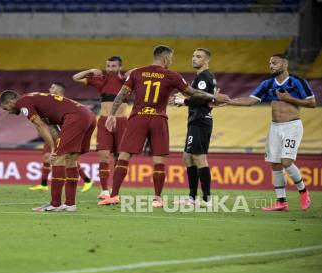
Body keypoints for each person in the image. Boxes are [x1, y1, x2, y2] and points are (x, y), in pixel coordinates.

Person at [98, 45, 229, 207]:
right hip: (158, 119)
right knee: (158, 160)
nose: (171, 61)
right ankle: (157, 199)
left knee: (124, 156)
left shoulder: (137, 72)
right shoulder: (172, 75)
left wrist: (111, 114)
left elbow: (122, 94)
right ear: (166, 58)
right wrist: (213, 96)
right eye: (171, 58)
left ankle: (114, 195)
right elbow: (192, 92)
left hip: (138, 117)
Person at [227, 53, 315, 211]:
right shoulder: (267, 84)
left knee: (286, 162)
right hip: (275, 127)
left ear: (285, 64)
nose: (271, 65)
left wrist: (290, 99)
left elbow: (312, 103)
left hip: (292, 126)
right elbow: (250, 101)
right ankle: (281, 202)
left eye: (275, 63)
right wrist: (228, 101)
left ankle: (303, 191)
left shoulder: (297, 82)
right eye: (270, 63)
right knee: (275, 164)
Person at [0, 90, 96, 212]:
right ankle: (70, 204)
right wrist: (54, 146)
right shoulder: (34, 98)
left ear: (10, 101)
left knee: (57, 159)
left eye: (6, 108)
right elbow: (50, 126)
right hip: (88, 116)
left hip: (75, 118)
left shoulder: (22, 103)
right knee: (71, 160)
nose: (8, 111)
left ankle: (55, 204)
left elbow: (40, 125)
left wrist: (53, 149)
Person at [73, 56, 130, 198]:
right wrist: (91, 70)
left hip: (122, 122)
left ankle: (115, 191)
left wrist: (132, 72)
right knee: (103, 155)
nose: (110, 69)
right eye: (108, 66)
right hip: (105, 121)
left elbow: (140, 74)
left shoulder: (127, 81)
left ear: (120, 67)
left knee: (119, 158)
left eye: (114, 66)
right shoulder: (101, 79)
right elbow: (75, 78)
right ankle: (105, 190)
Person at [170, 48, 216, 205]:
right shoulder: (202, 77)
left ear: (206, 61)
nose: (194, 58)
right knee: (188, 157)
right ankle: (192, 197)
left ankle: (206, 198)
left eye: (198, 56)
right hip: (196, 121)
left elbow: (202, 99)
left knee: (199, 157)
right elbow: (200, 97)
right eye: (193, 55)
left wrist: (183, 101)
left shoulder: (204, 77)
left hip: (200, 122)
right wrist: (184, 99)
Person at [28, 82, 93, 191]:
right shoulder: (50, 101)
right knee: (47, 157)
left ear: (59, 91)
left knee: (68, 159)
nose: (49, 89)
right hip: (51, 134)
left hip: (62, 134)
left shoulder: (64, 103)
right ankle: (43, 184)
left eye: (52, 87)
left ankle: (87, 180)